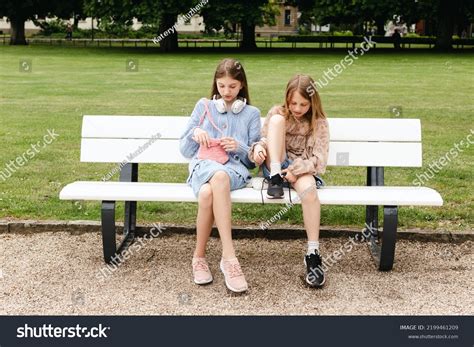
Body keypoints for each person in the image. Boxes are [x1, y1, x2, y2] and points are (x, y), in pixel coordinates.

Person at [179, 58, 261, 293]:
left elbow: (252, 162)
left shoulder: (251, 114)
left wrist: (240, 147)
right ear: (216, 84)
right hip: (203, 166)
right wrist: (195, 132)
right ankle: (228, 257)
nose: (226, 92)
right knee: (213, 183)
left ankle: (203, 258)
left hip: (235, 171)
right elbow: (185, 151)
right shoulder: (203, 106)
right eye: (222, 86)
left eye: (232, 87)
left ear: (242, 85)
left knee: (210, 190)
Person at [248, 74, 329, 288]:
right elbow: (264, 140)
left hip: (301, 170)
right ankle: (275, 177)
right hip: (275, 162)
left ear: (312, 101)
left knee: (310, 191)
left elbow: (319, 159)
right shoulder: (279, 112)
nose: (297, 108)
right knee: (276, 120)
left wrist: (296, 170)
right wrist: (258, 149)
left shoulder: (318, 122)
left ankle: (313, 253)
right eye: (293, 102)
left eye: (303, 103)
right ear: (287, 99)